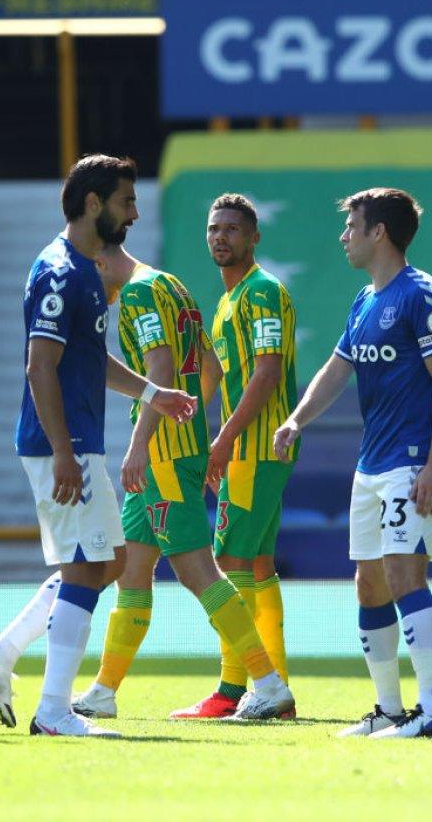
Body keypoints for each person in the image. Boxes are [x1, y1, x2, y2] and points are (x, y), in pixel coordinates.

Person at [0, 154, 198, 738]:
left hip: (77, 441)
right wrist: (65, 451)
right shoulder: (60, 273)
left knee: (109, 561)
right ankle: (53, 711)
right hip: (62, 445)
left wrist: (151, 392)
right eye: (126, 201)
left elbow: (89, 362)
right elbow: (40, 367)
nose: (136, 213)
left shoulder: (85, 271)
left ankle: (4, 653)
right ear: (94, 203)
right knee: (90, 564)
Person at [69, 241, 295, 722]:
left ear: (100, 260)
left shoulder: (135, 293)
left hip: (163, 456)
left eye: (91, 277)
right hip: (174, 447)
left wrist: (139, 445)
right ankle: (104, 690)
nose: (93, 290)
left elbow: (161, 368)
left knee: (199, 572)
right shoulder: (171, 284)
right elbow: (207, 368)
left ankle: (269, 683)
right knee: (132, 571)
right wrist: (190, 419)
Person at [273, 188, 432, 739]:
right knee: (369, 585)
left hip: (412, 459)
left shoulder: (423, 295)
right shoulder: (364, 300)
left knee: (405, 575)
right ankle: (388, 709)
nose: (344, 235)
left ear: (379, 231)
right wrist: (295, 420)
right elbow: (336, 368)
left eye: (351, 224)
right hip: (371, 462)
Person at [168, 194, 300, 720]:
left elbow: (266, 374)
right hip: (252, 447)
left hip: (255, 447)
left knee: (226, 564)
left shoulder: (262, 293)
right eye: (212, 229)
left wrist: (222, 440)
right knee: (258, 564)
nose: (220, 237)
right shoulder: (228, 302)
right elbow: (220, 375)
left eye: (231, 229)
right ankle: (275, 683)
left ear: (253, 237)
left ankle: (232, 688)